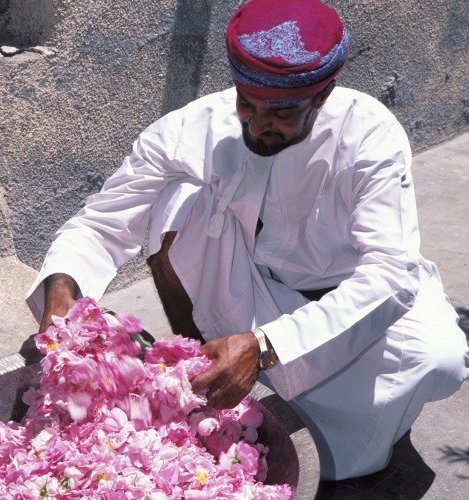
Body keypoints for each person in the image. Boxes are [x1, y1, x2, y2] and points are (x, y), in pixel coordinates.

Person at [26, 0, 469, 481]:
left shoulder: (370, 136)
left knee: (438, 359)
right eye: (246, 102)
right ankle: (202, 360)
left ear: (322, 97)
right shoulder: (190, 129)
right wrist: (62, 288)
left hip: (349, 304)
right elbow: (101, 222)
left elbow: (389, 275)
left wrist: (265, 346)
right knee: (176, 195)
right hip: (246, 286)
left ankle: (348, 438)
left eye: (280, 112)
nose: (257, 124)